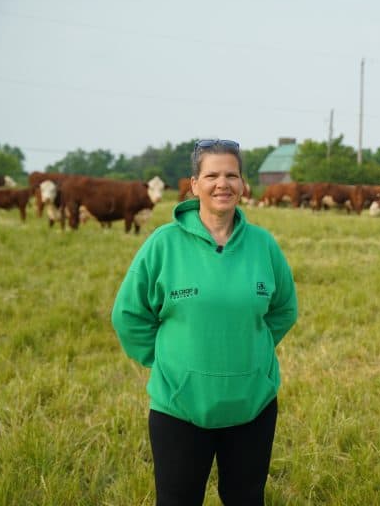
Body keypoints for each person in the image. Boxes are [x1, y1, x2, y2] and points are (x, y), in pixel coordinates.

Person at [111, 138, 298, 506]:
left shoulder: (263, 245)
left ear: (244, 185)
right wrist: (168, 363)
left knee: (246, 498)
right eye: (211, 175)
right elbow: (128, 315)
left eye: (232, 175)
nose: (222, 184)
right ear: (194, 184)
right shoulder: (163, 244)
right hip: (180, 408)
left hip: (252, 407)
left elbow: (284, 309)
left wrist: (252, 351)